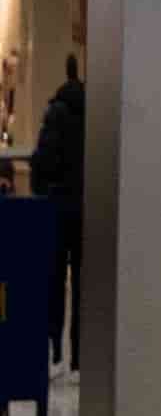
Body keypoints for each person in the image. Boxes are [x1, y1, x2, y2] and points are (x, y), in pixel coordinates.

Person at [31, 57, 79, 370]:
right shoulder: (93, 113)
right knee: (85, 286)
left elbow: (42, 164)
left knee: (56, 280)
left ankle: (55, 348)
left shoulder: (57, 112)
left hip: (59, 209)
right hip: (87, 209)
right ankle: (80, 354)